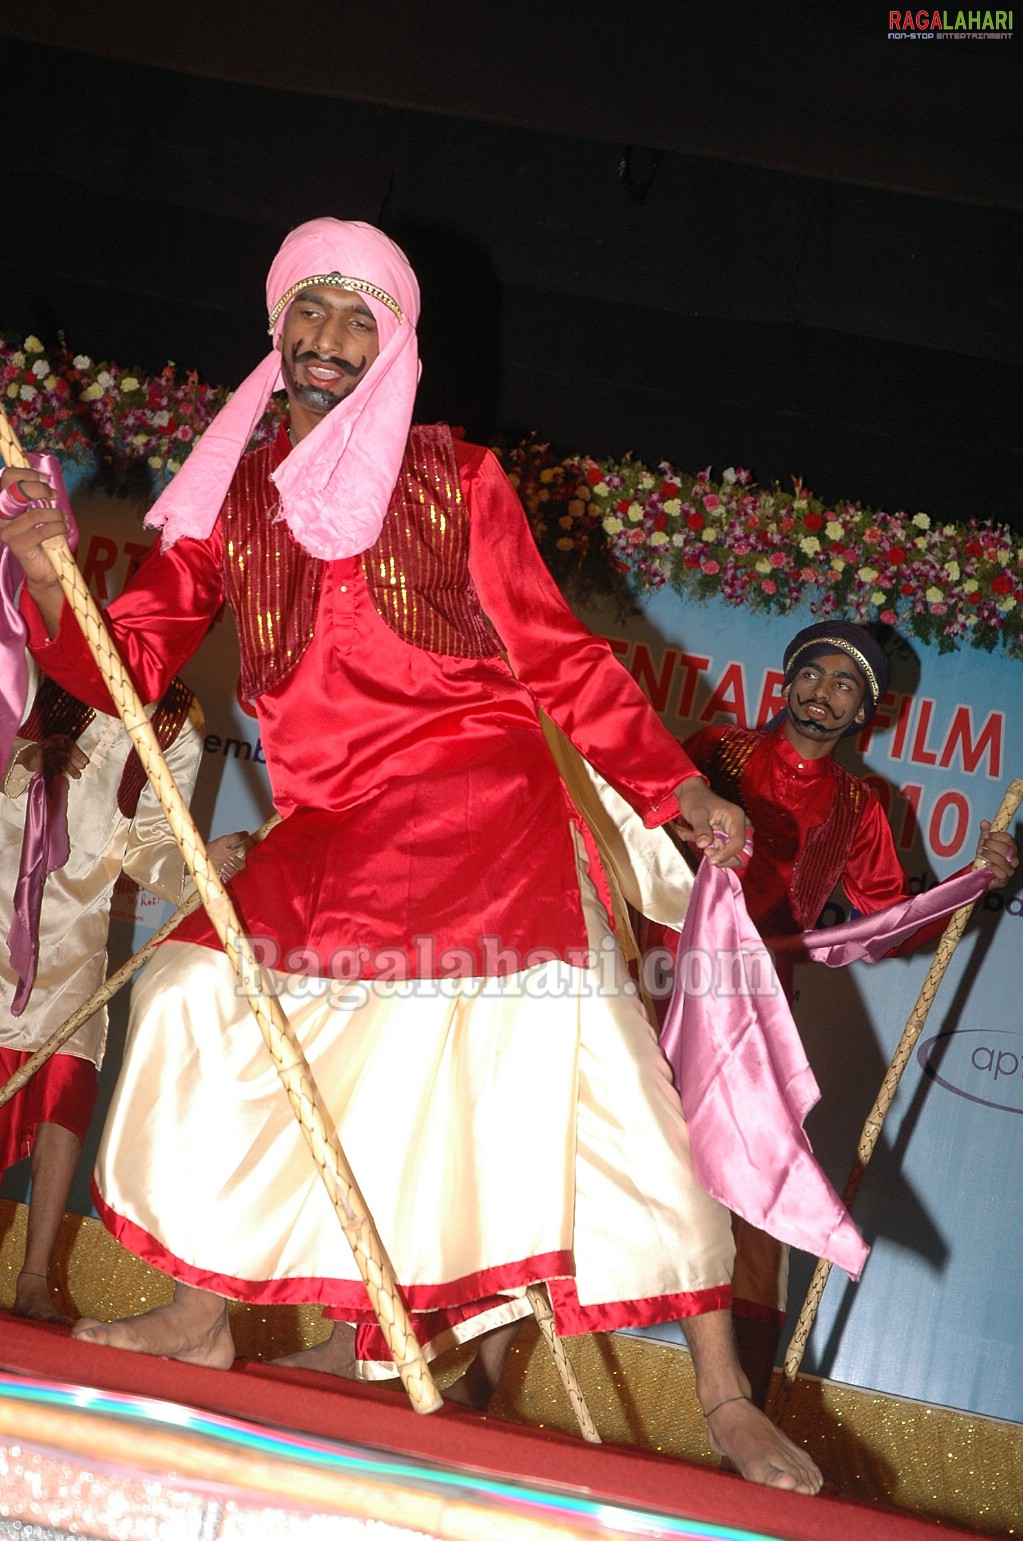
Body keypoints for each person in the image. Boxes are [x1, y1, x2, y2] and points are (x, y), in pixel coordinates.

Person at [1, 217, 823, 1493]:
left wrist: (673, 790)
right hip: (327, 820)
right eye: (310, 311)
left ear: (396, 346)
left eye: (358, 316)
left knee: (584, 1052)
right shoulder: (227, 495)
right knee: (185, 990)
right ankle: (204, 1309)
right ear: (273, 333)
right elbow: (128, 664)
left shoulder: (457, 477)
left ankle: (722, 1392)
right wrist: (50, 573)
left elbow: (560, 655)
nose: (328, 338)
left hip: (478, 799)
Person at [678, 620, 1018, 1405]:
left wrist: (972, 881)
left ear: (862, 711)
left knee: (755, 1188)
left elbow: (888, 921)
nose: (821, 692)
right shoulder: (715, 752)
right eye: (813, 672)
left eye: (844, 685)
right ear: (788, 679)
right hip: (662, 976)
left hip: (755, 1014)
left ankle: (742, 1402)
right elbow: (641, 825)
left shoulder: (859, 806)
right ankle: (487, 1369)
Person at [0, 653, 249, 1321]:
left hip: (76, 936)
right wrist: (23, 760)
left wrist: (203, 868)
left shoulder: (175, 721)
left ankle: (33, 1275)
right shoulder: (41, 671)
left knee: (66, 1087)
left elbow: (149, 846)